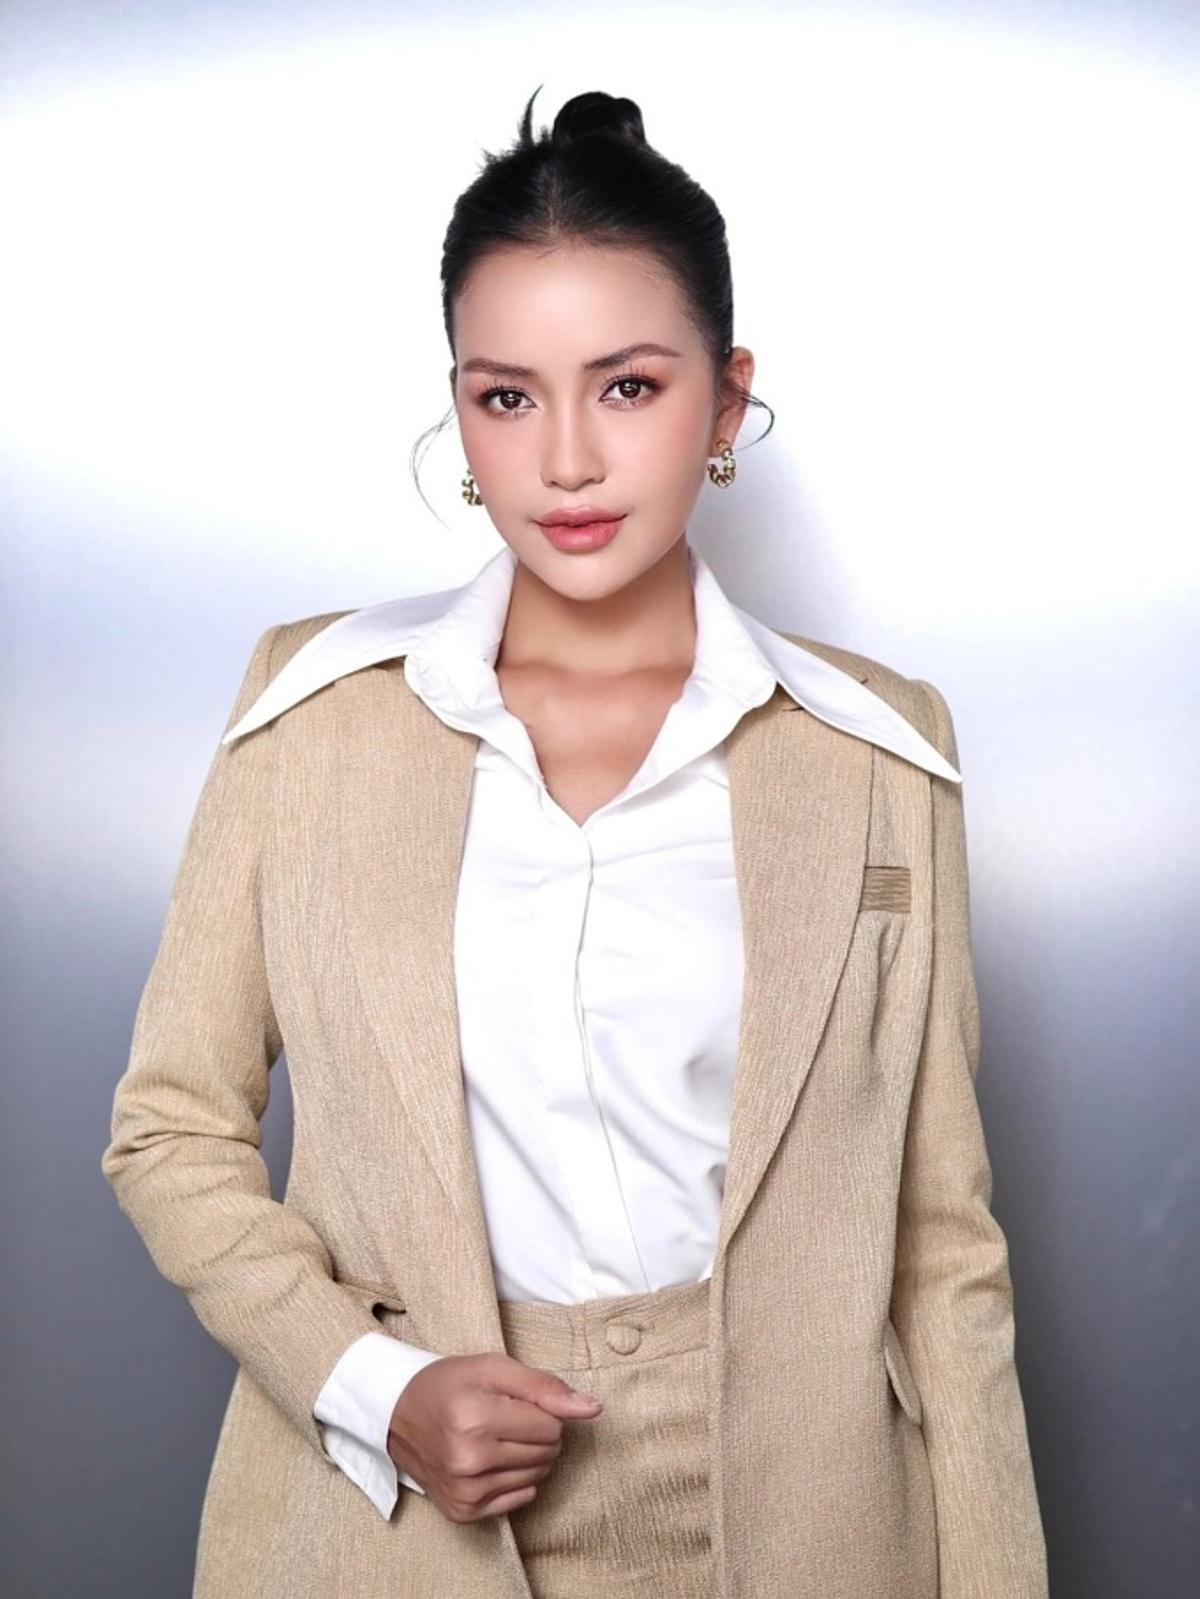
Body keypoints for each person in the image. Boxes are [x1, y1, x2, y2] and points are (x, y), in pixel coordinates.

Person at [101, 86, 1048, 1599]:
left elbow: (945, 1248)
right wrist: (371, 1385)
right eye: (506, 397)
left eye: (628, 387)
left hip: (812, 1518)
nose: (564, 461)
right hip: (406, 1519)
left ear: (725, 404)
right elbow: (171, 1127)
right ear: (460, 409)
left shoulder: (879, 747)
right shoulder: (310, 717)